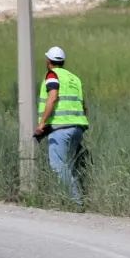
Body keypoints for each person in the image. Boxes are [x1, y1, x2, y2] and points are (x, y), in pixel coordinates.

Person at [35, 45, 90, 205]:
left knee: (58, 165)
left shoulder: (52, 75)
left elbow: (52, 97)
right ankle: (75, 199)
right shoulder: (74, 79)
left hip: (60, 128)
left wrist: (42, 123)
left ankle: (76, 202)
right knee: (69, 166)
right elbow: (83, 105)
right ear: (63, 61)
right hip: (78, 127)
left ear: (48, 61)